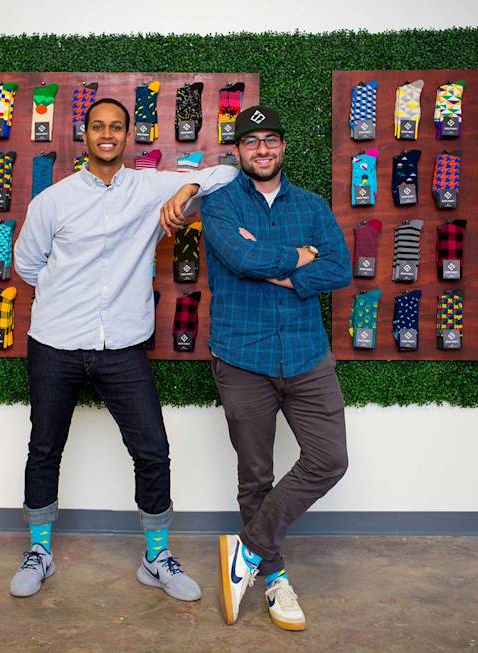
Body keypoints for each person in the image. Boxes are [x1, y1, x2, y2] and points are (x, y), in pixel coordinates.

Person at [10, 98, 237, 601]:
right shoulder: (53, 201)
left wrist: (188, 188)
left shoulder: (149, 187)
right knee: (44, 447)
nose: (107, 134)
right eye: (98, 126)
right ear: (85, 134)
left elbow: (227, 173)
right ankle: (39, 551)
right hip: (56, 342)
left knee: (152, 449)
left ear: (128, 135)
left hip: (123, 345)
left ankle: (156, 557)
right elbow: (27, 265)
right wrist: (68, 294)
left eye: (116, 126)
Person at [162, 105, 351, 630]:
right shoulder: (220, 204)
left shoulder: (311, 205)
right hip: (243, 357)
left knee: (329, 459)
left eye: (270, 140)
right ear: (238, 150)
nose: (262, 149)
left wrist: (278, 264)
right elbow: (240, 261)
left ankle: (246, 550)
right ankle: (274, 577)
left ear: (283, 146)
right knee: (256, 475)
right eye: (251, 141)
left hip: (307, 356)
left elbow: (339, 268)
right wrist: (302, 256)